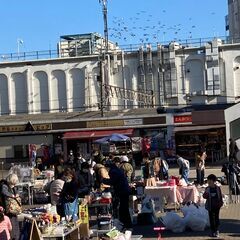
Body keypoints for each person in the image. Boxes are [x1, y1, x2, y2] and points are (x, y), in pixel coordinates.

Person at [102, 162, 132, 230]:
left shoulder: (113, 171)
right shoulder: (117, 170)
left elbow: (112, 181)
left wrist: (103, 180)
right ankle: (126, 224)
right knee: (124, 208)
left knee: (123, 209)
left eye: (106, 169)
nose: (106, 170)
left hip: (122, 191)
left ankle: (126, 225)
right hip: (124, 190)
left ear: (108, 167)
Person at [1, 174, 21, 240]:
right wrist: (12, 195)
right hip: (8, 210)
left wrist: (17, 194)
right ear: (11, 181)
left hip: (13, 210)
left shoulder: (12, 187)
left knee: (15, 225)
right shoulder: (4, 185)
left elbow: (16, 192)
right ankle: (13, 237)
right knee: (11, 225)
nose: (14, 185)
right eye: (13, 183)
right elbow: (4, 192)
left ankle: (15, 237)